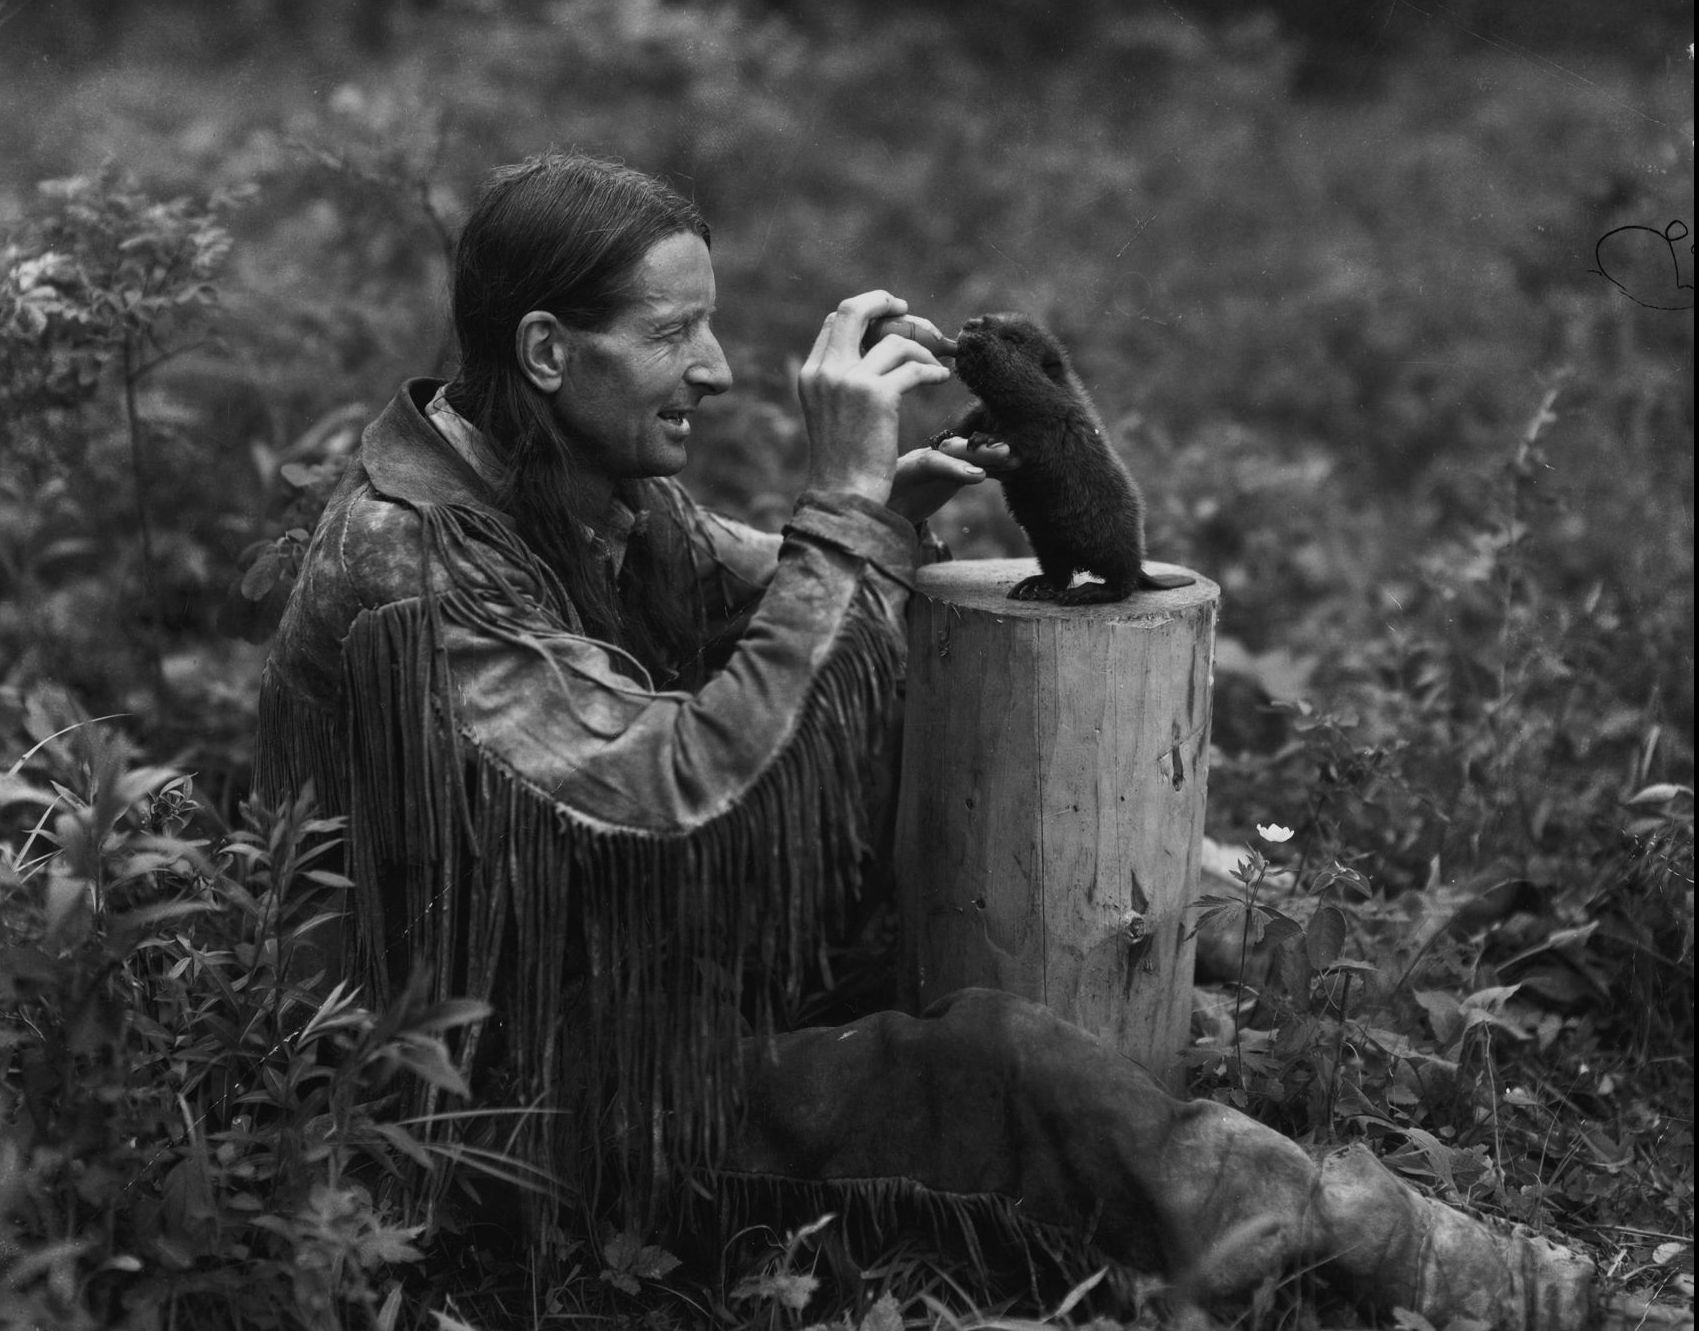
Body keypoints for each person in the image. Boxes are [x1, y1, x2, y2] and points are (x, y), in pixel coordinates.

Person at [254, 151, 1600, 1328]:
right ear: (550, 352)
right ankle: (1406, 1251)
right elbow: (683, 792)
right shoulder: (413, 566)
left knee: (1160, 903)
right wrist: (840, 506)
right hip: (545, 1095)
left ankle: (1410, 1032)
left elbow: (772, 602)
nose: (716, 372)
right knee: (995, 1069)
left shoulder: (557, 471)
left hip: (654, 962)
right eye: (675, 337)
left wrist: (886, 517)